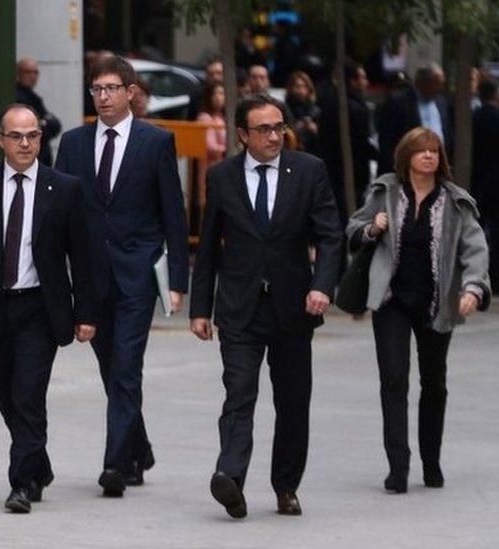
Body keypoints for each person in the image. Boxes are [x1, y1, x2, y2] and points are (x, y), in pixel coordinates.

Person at [189, 94, 343, 518]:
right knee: (238, 394)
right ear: (242, 135)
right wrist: (200, 306)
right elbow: (208, 248)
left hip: (295, 307)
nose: (274, 135)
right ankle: (230, 478)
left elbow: (330, 235)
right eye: (264, 129)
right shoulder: (221, 177)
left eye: (279, 127)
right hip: (239, 307)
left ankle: (285, 485)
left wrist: (322, 286)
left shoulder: (308, 171)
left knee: (292, 402)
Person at [0, 104, 97, 513]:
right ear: (1, 141)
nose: (25, 143)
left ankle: (22, 483)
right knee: (7, 392)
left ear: (40, 139)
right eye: (17, 136)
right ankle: (38, 462)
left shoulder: (64, 188)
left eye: (32, 135)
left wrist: (86, 313)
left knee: (29, 393)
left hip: (40, 309)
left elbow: (81, 256)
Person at [55, 56, 189, 498]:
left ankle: (115, 465)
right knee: (111, 368)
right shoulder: (73, 144)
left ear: (131, 91)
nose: (104, 96)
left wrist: (177, 281)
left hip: (136, 274)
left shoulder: (155, 142)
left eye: (112, 88)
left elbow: (173, 212)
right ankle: (139, 448)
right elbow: (63, 216)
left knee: (128, 368)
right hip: (91, 279)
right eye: (97, 89)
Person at [347, 127, 490, 494]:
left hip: (435, 303)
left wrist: (473, 289)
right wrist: (371, 228)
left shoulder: (456, 202)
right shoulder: (385, 192)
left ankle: (431, 460)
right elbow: (354, 226)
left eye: (434, 151)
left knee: (434, 384)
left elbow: (475, 250)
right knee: (393, 381)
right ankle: (398, 466)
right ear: (406, 155)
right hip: (392, 300)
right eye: (421, 150)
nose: (428, 156)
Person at [318, 61, 379, 223]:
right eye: (362, 78)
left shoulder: (331, 101)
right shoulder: (354, 107)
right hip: (351, 172)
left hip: (335, 170)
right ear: (353, 81)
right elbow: (360, 142)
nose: (366, 82)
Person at [377, 63, 451, 175]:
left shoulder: (441, 102)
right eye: (437, 84)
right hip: (407, 170)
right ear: (423, 82)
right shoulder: (398, 102)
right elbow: (387, 139)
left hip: (436, 168)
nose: (440, 88)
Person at [472, 77, 499, 292]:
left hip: (477, 181)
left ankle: (476, 275)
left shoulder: (473, 117)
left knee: (476, 230)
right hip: (495, 183)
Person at [15, 58, 61, 166]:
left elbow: (54, 125)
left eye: (35, 72)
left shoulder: (34, 97)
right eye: (27, 72)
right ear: (18, 73)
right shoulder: (18, 97)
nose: (32, 76)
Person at [284, 71, 320, 153]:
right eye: (297, 86)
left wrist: (313, 128)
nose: (301, 90)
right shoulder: (285, 109)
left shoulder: (315, 110)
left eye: (304, 87)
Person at [195, 81, 228, 170]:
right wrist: (229, 149)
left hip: (225, 165)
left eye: (221, 93)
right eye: (214, 94)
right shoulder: (205, 118)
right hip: (211, 167)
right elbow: (210, 147)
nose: (218, 97)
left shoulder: (226, 118)